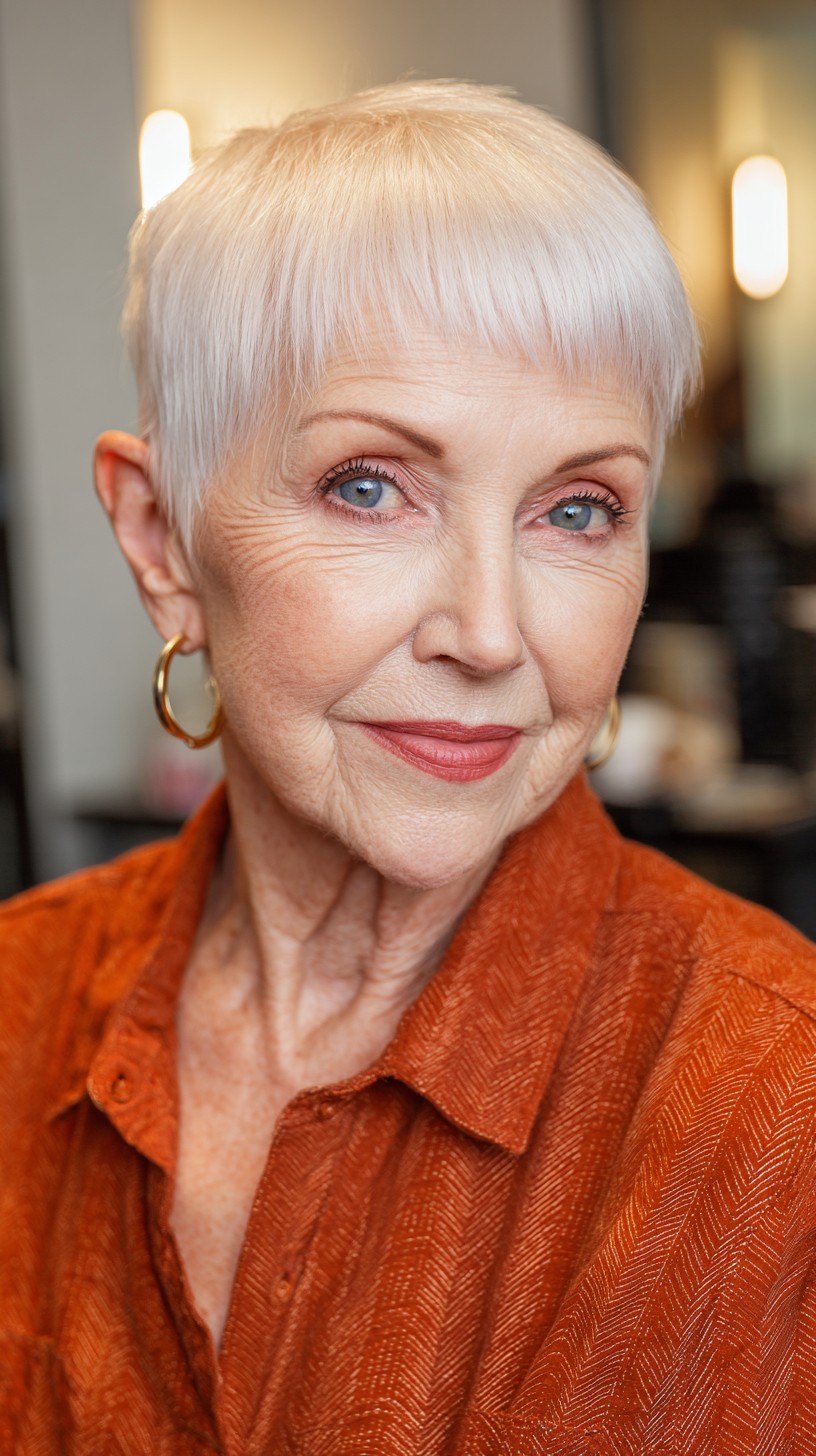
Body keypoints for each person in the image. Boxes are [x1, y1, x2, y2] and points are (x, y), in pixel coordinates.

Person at [1, 81, 814, 1456]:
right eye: (370, 486)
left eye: (578, 510)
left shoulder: (776, 1102)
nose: (490, 633)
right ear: (162, 541)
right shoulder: (16, 1002)